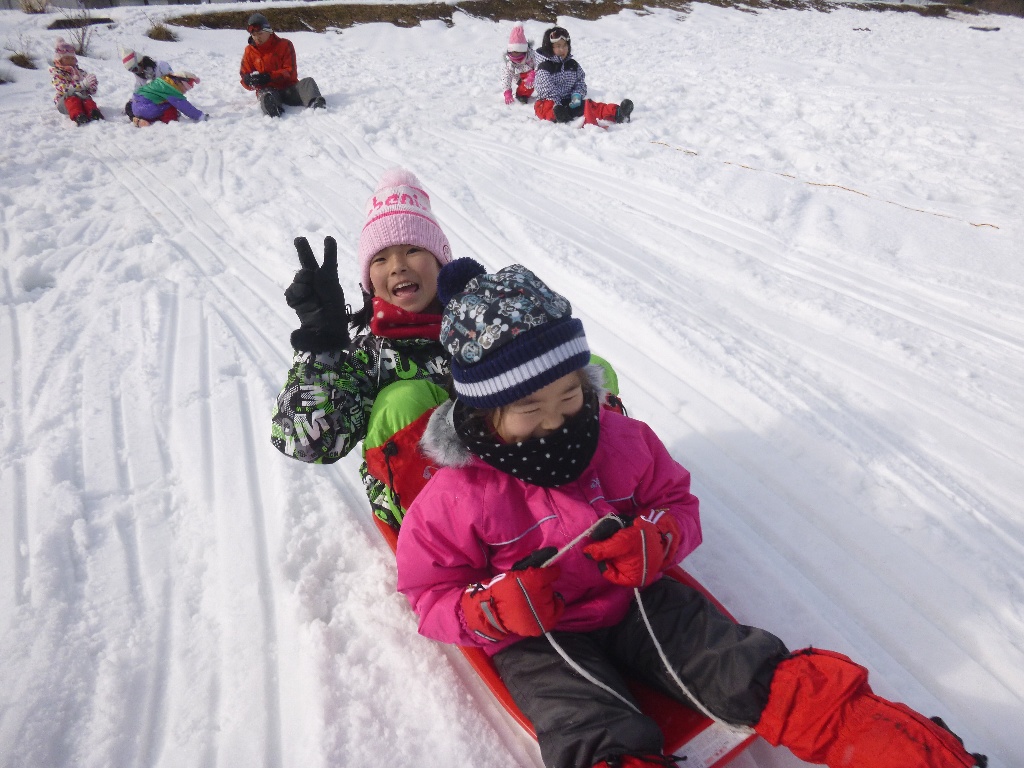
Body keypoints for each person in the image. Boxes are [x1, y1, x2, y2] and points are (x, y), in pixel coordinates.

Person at [395, 259, 988, 768]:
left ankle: (907, 750)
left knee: (742, 666)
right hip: (538, 637)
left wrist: (661, 537)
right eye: (529, 408)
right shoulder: (458, 496)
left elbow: (676, 502)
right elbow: (428, 594)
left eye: (570, 397)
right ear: (483, 413)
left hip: (638, 599)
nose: (556, 422)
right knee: (587, 725)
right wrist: (491, 609)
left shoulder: (622, 441)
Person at [533, 26, 632, 126]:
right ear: (550, 48)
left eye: (565, 45)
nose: (562, 49)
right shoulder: (545, 68)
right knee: (548, 107)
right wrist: (558, 105)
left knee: (589, 105)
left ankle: (617, 113)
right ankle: (559, 116)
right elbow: (548, 92)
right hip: (547, 101)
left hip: (568, 100)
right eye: (558, 46)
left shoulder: (572, 65)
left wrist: (576, 95)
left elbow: (580, 82)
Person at [239, 13, 326, 118]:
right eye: (254, 35)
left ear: (268, 31)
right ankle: (273, 109)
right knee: (266, 96)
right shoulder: (249, 51)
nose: (257, 38)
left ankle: (315, 102)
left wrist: (268, 77)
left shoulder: (285, 45)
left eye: (260, 33)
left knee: (308, 82)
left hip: (289, 89)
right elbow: (244, 74)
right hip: (268, 91)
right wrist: (248, 80)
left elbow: (290, 72)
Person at [49, 38, 103, 127]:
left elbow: (88, 87)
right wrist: (82, 85)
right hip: (64, 100)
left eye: (72, 58)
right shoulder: (57, 73)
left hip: (81, 97)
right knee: (73, 100)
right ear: (59, 60)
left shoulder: (80, 72)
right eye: (67, 58)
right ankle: (78, 115)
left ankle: (93, 112)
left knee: (87, 99)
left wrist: (92, 86)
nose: (70, 60)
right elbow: (64, 88)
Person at [129, 72, 208, 127]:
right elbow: (185, 106)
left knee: (164, 103)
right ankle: (164, 121)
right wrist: (200, 116)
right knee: (171, 106)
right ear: (181, 82)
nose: (185, 91)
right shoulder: (171, 89)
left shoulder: (163, 82)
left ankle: (140, 120)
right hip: (147, 108)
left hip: (135, 106)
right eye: (186, 88)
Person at [119, 45, 172, 119]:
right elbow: (138, 89)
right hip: (149, 100)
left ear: (140, 62)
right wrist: (132, 102)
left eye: (135, 69)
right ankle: (137, 119)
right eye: (132, 71)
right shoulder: (139, 75)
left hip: (164, 99)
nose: (136, 72)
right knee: (129, 106)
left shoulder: (161, 66)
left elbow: (172, 85)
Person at [501, 23, 536, 105]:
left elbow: (540, 64)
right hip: (519, 77)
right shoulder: (509, 62)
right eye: (513, 52)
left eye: (518, 53)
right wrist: (507, 92)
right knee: (526, 86)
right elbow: (506, 77)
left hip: (533, 75)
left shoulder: (532, 55)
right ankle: (521, 95)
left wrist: (533, 74)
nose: (515, 56)